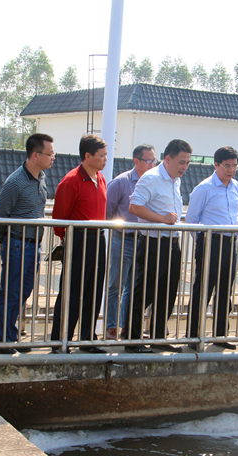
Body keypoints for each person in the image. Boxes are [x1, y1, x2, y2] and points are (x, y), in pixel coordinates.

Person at [126, 139, 192, 353]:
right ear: (168, 159)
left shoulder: (175, 180)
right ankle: (132, 339)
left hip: (172, 242)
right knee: (144, 292)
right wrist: (161, 219)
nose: (184, 167)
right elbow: (134, 206)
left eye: (187, 163)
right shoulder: (152, 177)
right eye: (181, 162)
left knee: (167, 292)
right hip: (153, 243)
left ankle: (158, 336)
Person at [0, 133, 53, 354]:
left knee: (24, 291)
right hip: (16, 243)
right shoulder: (15, 182)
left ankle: (12, 335)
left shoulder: (42, 177)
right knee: (10, 292)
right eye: (49, 153)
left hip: (33, 244)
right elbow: (1, 216)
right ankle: (2, 341)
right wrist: (6, 243)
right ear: (35, 155)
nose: (53, 157)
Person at [50, 134, 108, 354]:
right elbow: (59, 218)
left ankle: (87, 339)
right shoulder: (71, 180)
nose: (105, 159)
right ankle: (60, 340)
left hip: (98, 237)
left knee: (94, 290)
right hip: (78, 238)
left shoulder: (100, 178)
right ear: (88, 156)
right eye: (101, 155)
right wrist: (67, 239)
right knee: (71, 291)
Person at [185, 146, 238, 351]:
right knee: (203, 289)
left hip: (230, 242)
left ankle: (220, 334)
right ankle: (193, 336)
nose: (231, 170)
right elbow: (192, 219)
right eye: (227, 166)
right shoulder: (204, 188)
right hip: (210, 241)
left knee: (225, 290)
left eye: (234, 166)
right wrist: (204, 242)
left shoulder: (236, 186)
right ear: (216, 165)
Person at [104, 144, 157, 340]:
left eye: (154, 160)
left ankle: (128, 327)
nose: (152, 164)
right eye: (148, 160)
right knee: (115, 285)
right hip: (122, 238)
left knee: (134, 287)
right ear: (136, 161)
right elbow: (107, 212)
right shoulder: (121, 182)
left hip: (143, 240)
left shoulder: (154, 182)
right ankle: (111, 327)